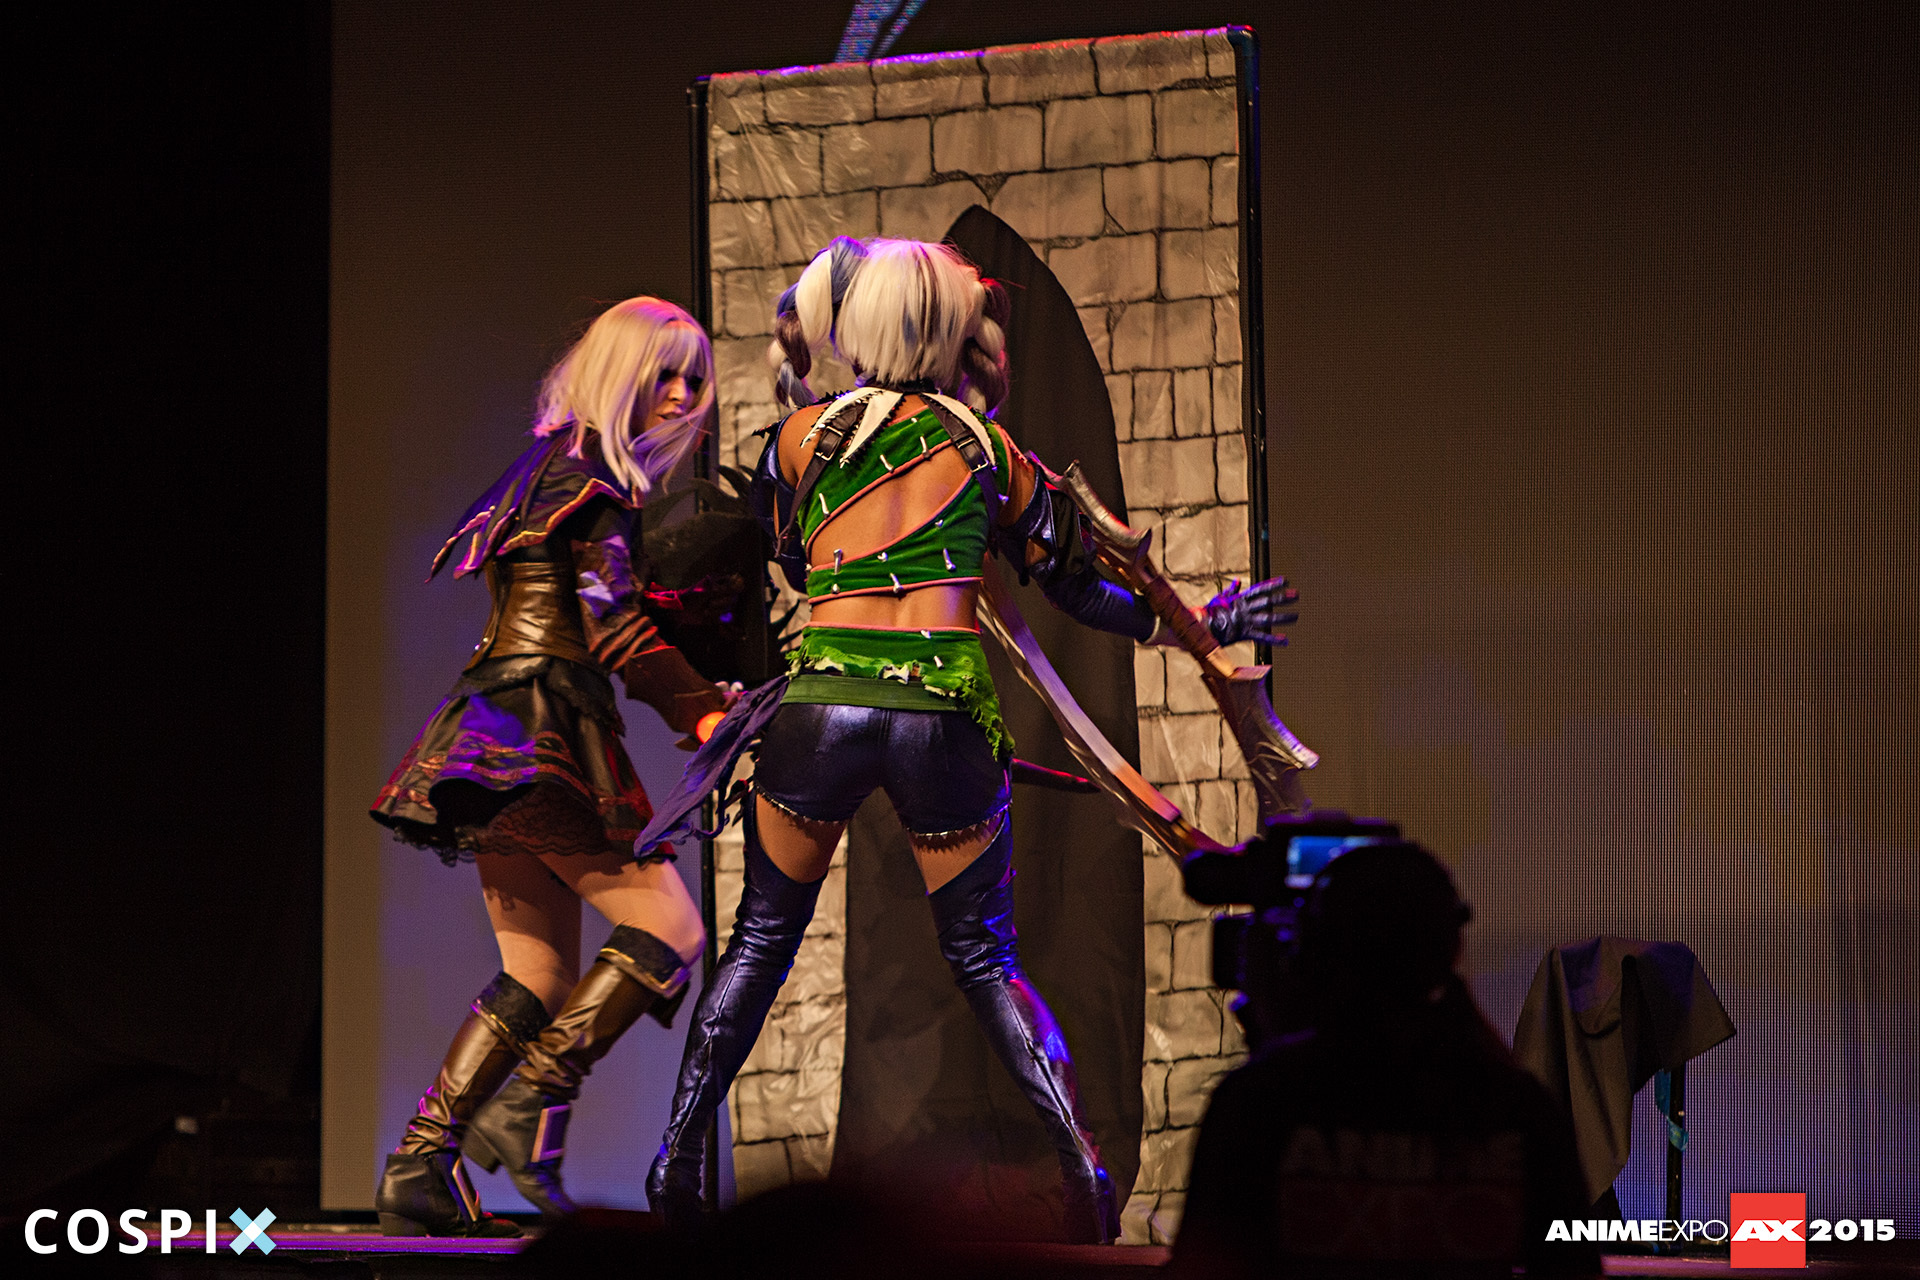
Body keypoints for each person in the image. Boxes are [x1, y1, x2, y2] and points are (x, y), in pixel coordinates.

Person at [638, 237, 1299, 1243]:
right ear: (949, 329)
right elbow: (1081, 592)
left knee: (762, 940)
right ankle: (1081, 1165)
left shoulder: (802, 437)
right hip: (941, 714)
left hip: (826, 706)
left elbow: (791, 560)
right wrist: (1198, 621)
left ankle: (677, 1160)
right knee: (985, 959)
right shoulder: (992, 452)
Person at [368, 297, 733, 1236]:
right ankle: (532, 1106)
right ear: (618, 371)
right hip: (541, 731)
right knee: (671, 928)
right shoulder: (594, 479)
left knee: (537, 975)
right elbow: (611, 625)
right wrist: (702, 710)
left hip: (491, 731)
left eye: (694, 378)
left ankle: (420, 1164)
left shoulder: (542, 466)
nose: (683, 394)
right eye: (664, 373)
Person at [1170, 843, 1602, 1278]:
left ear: (1314, 954)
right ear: (1452, 947)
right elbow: (1572, 1266)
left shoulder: (1257, 1105)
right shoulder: (1521, 1110)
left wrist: (1271, 1019)